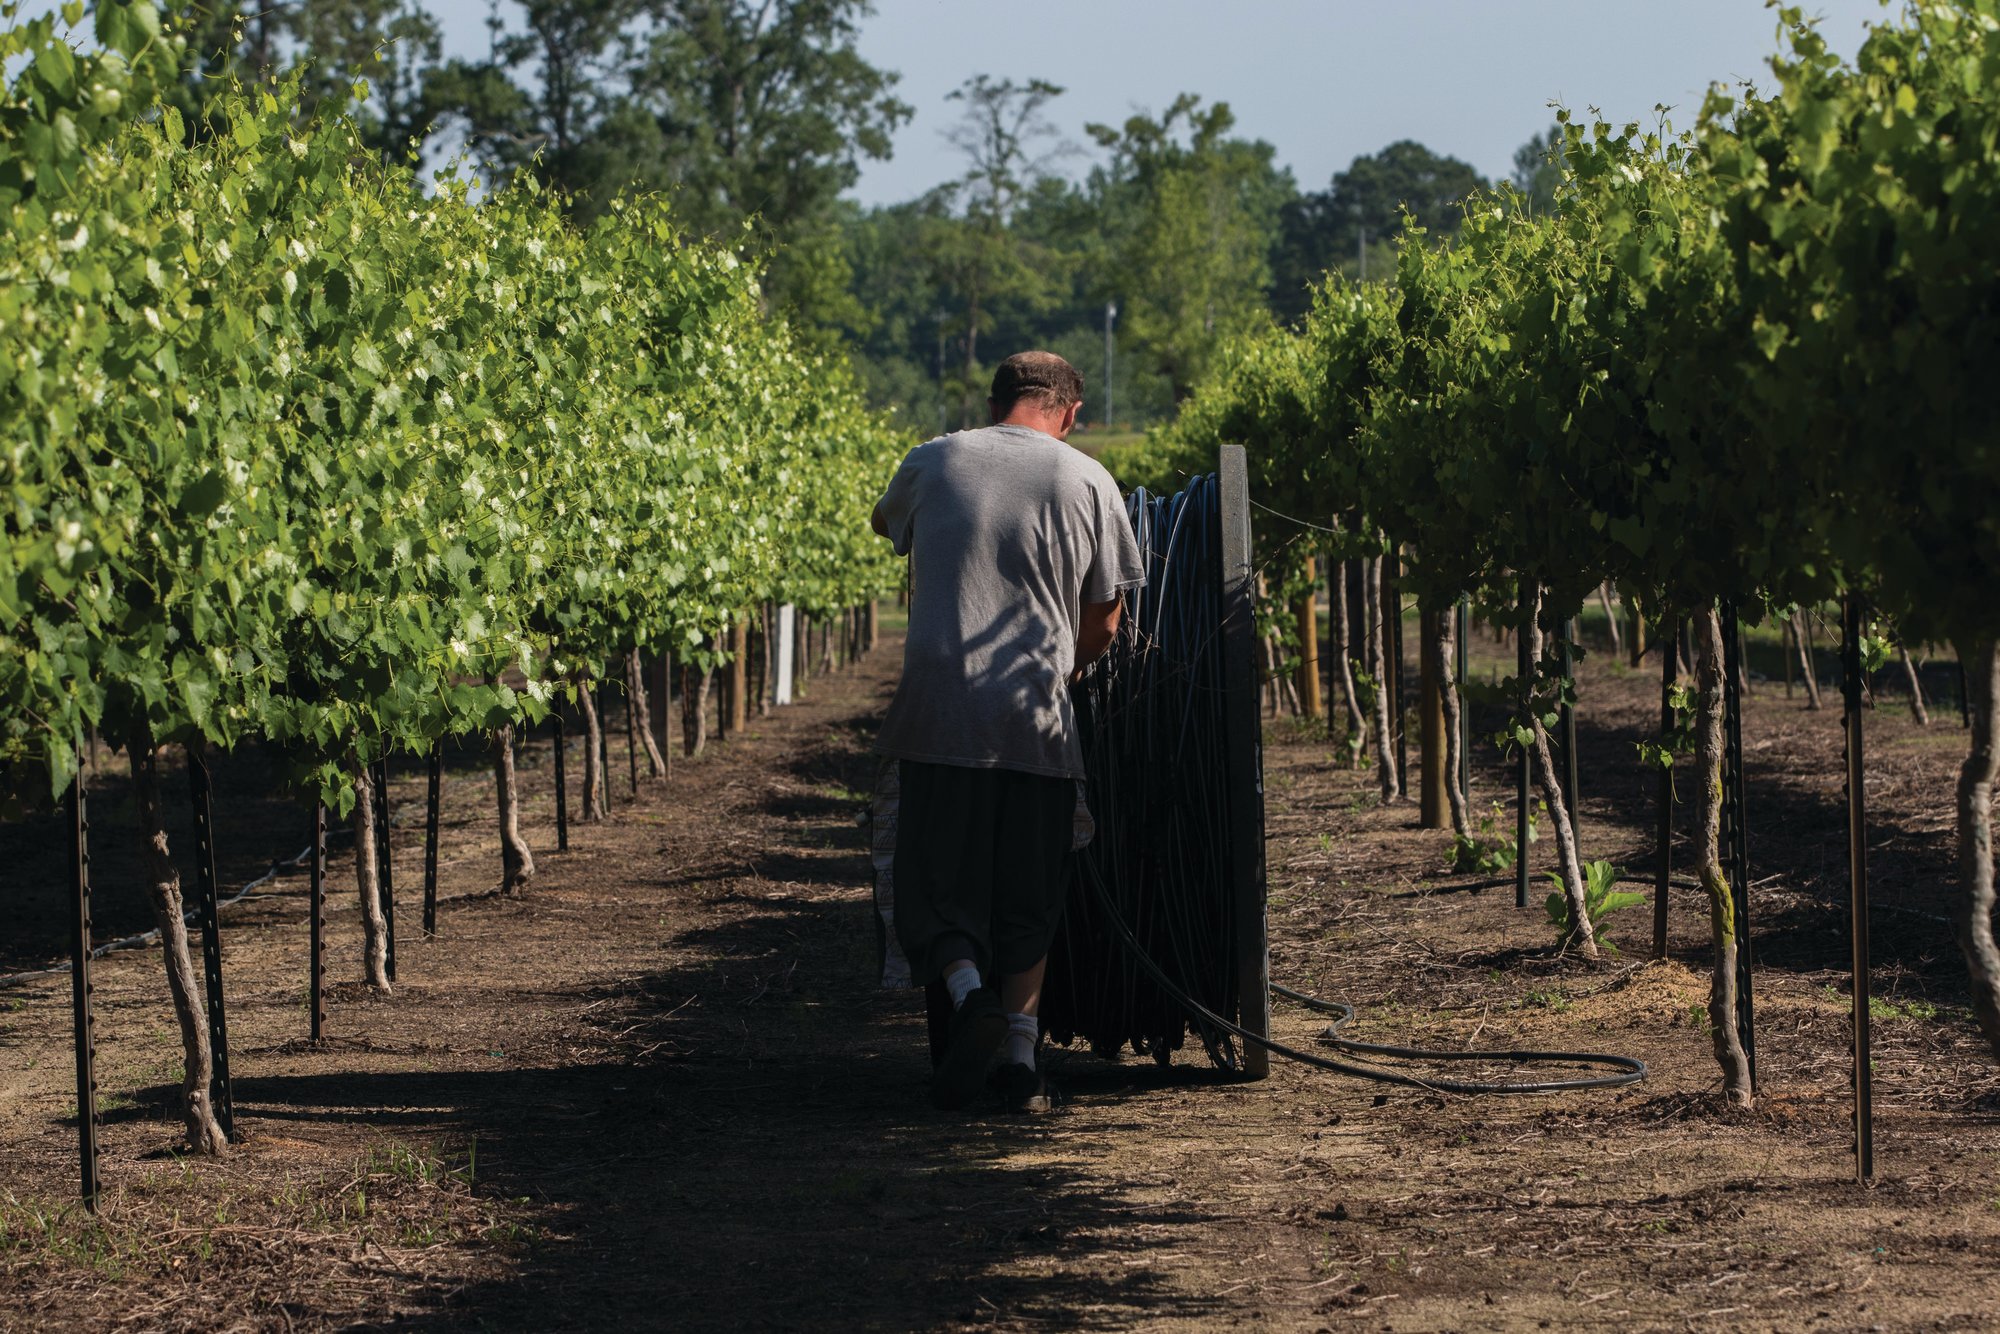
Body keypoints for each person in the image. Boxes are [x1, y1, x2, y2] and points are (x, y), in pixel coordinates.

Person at [870, 351, 1146, 1113]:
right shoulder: (1089, 480)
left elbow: (883, 523)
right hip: (1034, 715)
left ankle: (966, 997)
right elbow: (1107, 618)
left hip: (937, 711)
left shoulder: (931, 460)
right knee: (1031, 889)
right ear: (1069, 413)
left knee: (934, 878)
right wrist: (1070, 668)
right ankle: (1022, 1063)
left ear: (995, 403)